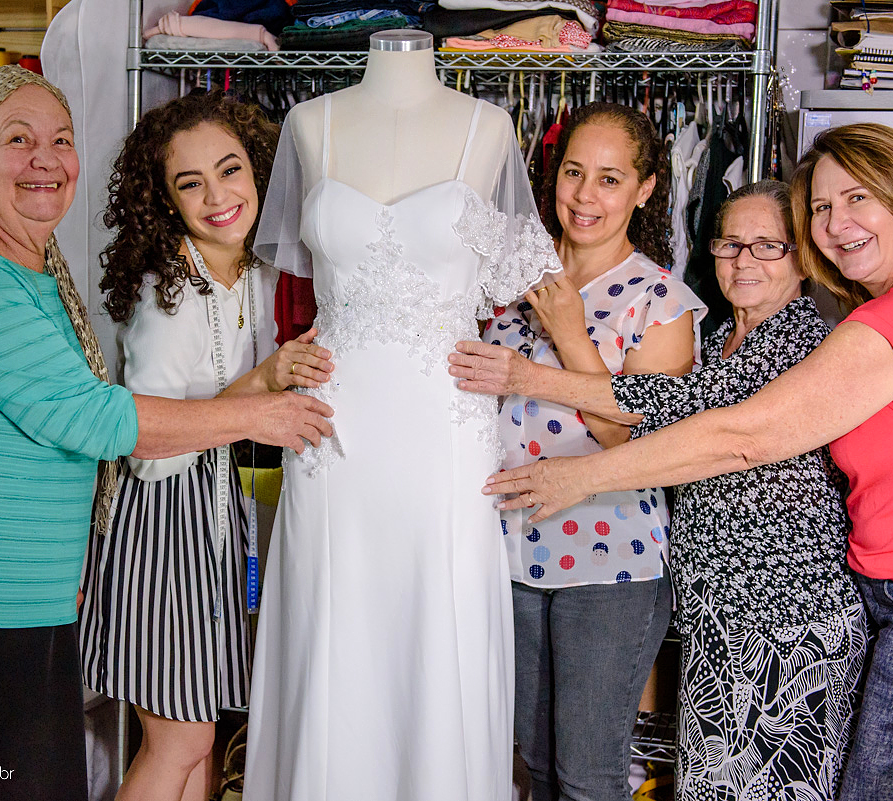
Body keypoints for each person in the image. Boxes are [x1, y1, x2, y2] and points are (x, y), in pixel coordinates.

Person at [466, 123, 893, 801]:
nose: (838, 223)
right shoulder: (772, 331)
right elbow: (684, 399)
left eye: (856, 199)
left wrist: (576, 468)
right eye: (823, 208)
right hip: (851, 610)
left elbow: (741, 435)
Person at [0, 66, 331, 801]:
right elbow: (96, 418)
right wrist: (259, 407)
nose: (45, 159)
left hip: (10, 595)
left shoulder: (28, 267)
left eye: (61, 139)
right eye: (19, 139)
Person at [244, 31, 561, 801]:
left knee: (437, 621)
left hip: (442, 427)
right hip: (333, 427)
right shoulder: (309, 125)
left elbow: (515, 286)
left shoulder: (486, 129)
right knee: (332, 621)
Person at [77, 91, 333, 801]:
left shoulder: (259, 273)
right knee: (181, 740)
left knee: (203, 742)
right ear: (164, 200)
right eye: (190, 183)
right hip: (159, 528)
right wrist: (262, 389)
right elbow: (149, 452)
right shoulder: (172, 297)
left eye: (231, 171)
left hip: (212, 521)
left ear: (260, 174)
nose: (218, 196)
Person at [486, 102, 704, 801]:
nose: (585, 195)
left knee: (588, 775)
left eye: (611, 179)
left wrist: (570, 335)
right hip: (510, 553)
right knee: (539, 766)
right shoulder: (508, 280)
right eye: (574, 172)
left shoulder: (661, 300)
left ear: (644, 190)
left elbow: (640, 437)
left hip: (611, 564)